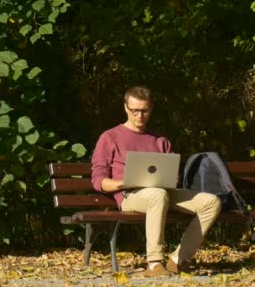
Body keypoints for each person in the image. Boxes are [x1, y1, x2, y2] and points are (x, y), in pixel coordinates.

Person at [91, 85, 222, 277]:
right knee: (157, 195)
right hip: (130, 195)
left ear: (151, 108)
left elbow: (173, 176)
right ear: (126, 108)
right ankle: (154, 263)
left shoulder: (160, 140)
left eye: (144, 110)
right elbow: (98, 180)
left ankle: (179, 259)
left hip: (162, 192)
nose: (139, 115)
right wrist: (123, 182)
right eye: (135, 110)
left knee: (211, 202)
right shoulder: (110, 137)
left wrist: (169, 181)